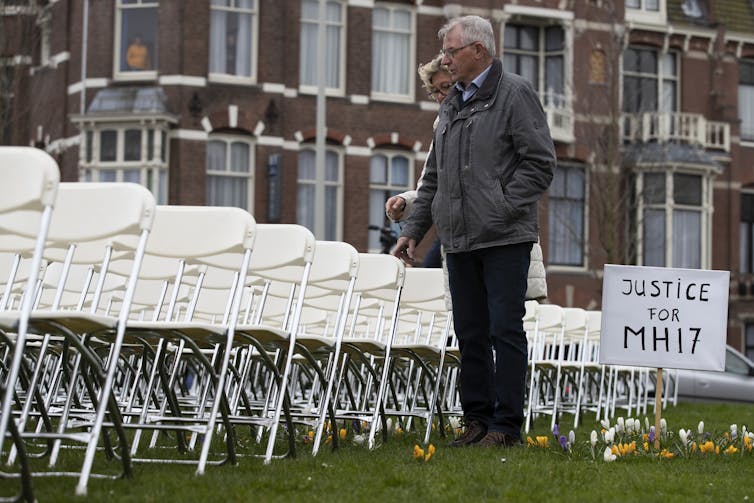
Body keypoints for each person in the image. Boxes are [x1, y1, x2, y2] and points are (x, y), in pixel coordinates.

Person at [392, 15, 555, 448]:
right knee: (469, 332)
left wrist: (500, 206)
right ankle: (477, 421)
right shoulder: (451, 103)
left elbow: (540, 163)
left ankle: (506, 428)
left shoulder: (515, 94)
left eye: (451, 51)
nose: (444, 59)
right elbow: (435, 178)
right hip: (459, 240)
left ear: (478, 51)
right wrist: (413, 230)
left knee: (505, 330)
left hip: (504, 237)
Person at [385, 55, 453, 270]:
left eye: (446, 87)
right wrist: (405, 203)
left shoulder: (489, 116)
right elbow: (432, 186)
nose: (441, 97)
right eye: (435, 91)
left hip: (498, 238)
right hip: (455, 234)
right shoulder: (442, 125)